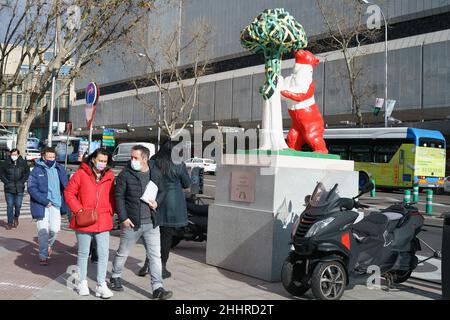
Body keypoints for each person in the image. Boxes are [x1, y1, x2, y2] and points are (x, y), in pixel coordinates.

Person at [109, 145, 172, 300]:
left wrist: (157, 202)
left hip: (151, 222)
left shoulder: (155, 172)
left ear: (145, 159)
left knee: (155, 256)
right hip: (132, 222)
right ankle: (115, 276)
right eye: (132, 157)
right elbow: (119, 197)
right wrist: (123, 218)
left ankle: (158, 288)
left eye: (135, 158)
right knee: (123, 252)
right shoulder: (126, 174)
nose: (132, 160)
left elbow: (163, 190)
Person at [64, 148, 115, 298]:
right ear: (93, 159)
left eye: (105, 161)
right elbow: (69, 192)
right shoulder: (81, 174)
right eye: (100, 160)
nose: (102, 164)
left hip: (103, 220)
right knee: (83, 253)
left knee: (104, 254)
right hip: (85, 220)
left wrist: (112, 211)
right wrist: (78, 210)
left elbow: (113, 195)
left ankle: (101, 284)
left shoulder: (110, 176)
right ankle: (82, 283)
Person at [138, 141, 191, 278]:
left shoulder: (153, 162)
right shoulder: (178, 164)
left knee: (152, 235)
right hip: (172, 204)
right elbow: (186, 184)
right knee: (166, 236)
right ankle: (161, 267)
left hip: (153, 200)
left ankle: (147, 264)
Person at [28, 147, 69, 266]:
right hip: (41, 205)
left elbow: (66, 186)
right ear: (43, 156)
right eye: (49, 157)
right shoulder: (36, 170)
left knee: (55, 230)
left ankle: (49, 245)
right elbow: (31, 188)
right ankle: (43, 255)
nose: (51, 159)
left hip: (56, 204)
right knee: (43, 231)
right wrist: (44, 201)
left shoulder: (60, 169)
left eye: (53, 157)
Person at [0, 148, 30, 230]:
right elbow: (1, 174)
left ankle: (16, 217)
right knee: (9, 205)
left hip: (19, 188)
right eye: (12, 154)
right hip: (8, 188)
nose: (14, 156)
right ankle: (9, 223)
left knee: (18, 205)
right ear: (10, 154)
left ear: (18, 155)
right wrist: (6, 182)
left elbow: (27, 173)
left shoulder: (23, 163)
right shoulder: (5, 163)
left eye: (15, 154)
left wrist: (22, 182)